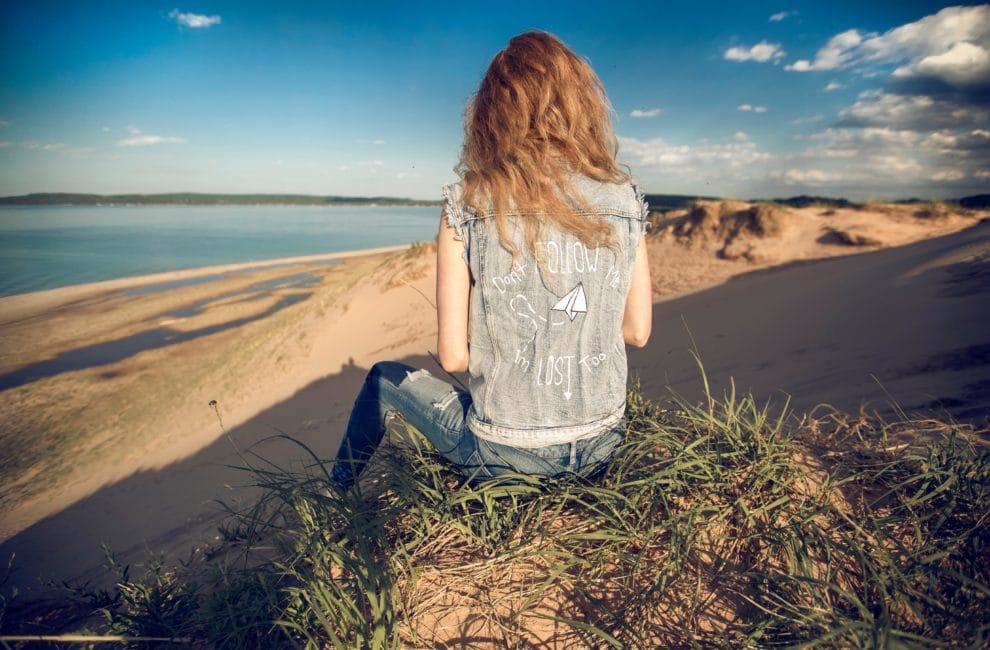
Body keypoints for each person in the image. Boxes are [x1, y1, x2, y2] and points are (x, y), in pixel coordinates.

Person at [330, 31, 652, 491]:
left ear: (490, 115)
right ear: (583, 104)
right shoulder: (625, 199)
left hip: (502, 456)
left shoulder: (466, 204)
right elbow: (636, 332)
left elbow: (453, 356)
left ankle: (335, 493)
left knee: (383, 378)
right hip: (603, 445)